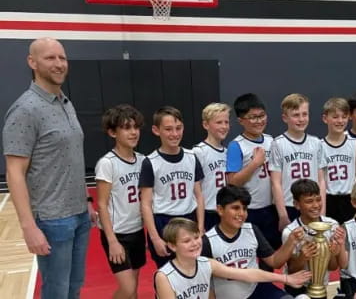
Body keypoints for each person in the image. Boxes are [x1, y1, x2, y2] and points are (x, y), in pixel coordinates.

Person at [2, 37, 95, 298]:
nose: (58, 64)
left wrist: (86, 199)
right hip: (53, 220)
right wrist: (29, 227)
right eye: (50, 58)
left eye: (62, 58)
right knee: (56, 291)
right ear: (32, 62)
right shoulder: (25, 110)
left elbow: (71, 158)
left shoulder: (66, 103)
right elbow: (14, 172)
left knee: (74, 287)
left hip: (78, 215)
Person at [155, 217, 312, 299]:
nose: (195, 244)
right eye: (186, 241)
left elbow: (248, 274)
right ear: (172, 246)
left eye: (196, 238)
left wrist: (285, 278)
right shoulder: (164, 277)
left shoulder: (206, 264)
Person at [201, 185, 308, 299]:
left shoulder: (251, 230)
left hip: (256, 289)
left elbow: (274, 262)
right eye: (236, 208)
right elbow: (205, 283)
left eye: (245, 208)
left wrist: (291, 241)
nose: (241, 213)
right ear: (220, 210)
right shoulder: (207, 241)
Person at [139, 106, 205, 268]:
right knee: (167, 274)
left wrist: (201, 228)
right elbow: (146, 204)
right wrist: (155, 238)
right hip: (164, 222)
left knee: (192, 270)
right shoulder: (150, 162)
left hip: (189, 218)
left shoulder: (191, 157)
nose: (175, 134)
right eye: (168, 129)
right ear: (156, 130)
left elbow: (198, 195)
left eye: (178, 128)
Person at [95, 104, 146, 299]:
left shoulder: (142, 160)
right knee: (127, 288)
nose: (133, 132)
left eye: (135, 127)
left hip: (137, 231)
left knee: (133, 289)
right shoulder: (107, 163)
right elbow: (101, 204)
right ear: (112, 132)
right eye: (126, 128)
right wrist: (112, 241)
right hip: (117, 234)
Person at [226, 93, 280, 250]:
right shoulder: (236, 145)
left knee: (270, 254)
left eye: (262, 115)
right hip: (249, 210)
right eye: (253, 117)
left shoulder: (271, 140)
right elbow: (233, 182)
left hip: (271, 208)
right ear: (241, 121)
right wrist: (254, 163)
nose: (259, 121)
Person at [270, 93, 325, 231]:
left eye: (304, 114)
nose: (301, 119)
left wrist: (322, 211)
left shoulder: (316, 143)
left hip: (313, 205)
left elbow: (321, 180)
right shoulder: (278, 144)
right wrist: (282, 215)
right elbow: (275, 182)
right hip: (290, 205)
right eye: (296, 115)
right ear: (285, 118)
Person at [282, 179, 345, 298]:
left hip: (321, 288)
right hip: (297, 288)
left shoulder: (332, 226)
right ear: (296, 204)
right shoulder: (290, 232)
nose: (316, 205)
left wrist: (332, 252)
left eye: (318, 199)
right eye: (309, 201)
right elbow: (291, 271)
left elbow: (332, 267)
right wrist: (302, 257)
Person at [321, 97, 356, 224]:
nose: (340, 121)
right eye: (335, 117)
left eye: (344, 117)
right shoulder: (319, 146)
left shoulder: (355, 144)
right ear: (325, 119)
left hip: (349, 199)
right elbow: (320, 180)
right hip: (328, 199)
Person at [193, 102, 231, 230]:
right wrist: (200, 222)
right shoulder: (199, 152)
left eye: (226, 122)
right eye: (219, 122)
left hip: (225, 211)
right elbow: (194, 189)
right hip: (208, 211)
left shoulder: (227, 152)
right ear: (206, 125)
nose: (224, 126)